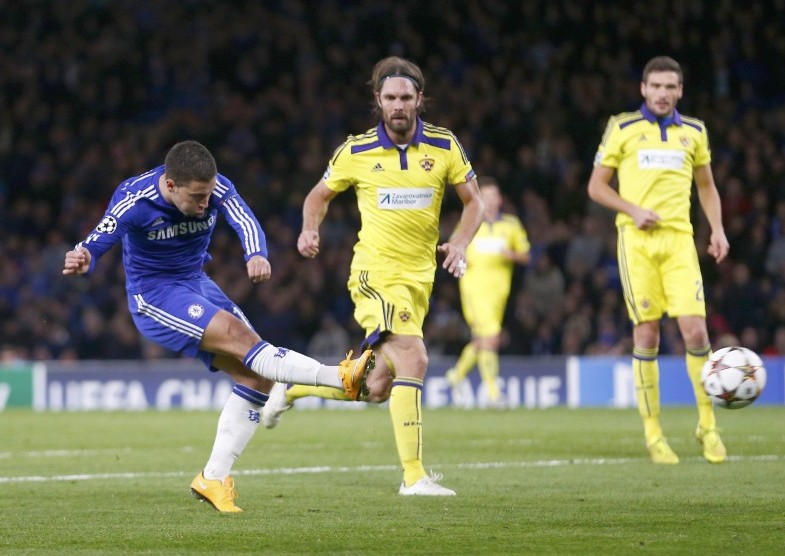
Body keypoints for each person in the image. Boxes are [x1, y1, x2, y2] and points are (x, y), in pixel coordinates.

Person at [62, 140, 373, 512]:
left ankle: (212, 478)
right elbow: (98, 238)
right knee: (242, 339)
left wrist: (255, 252)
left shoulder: (215, 187)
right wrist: (84, 257)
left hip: (195, 282)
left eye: (208, 195)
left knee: (257, 376)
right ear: (171, 185)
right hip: (155, 294)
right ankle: (340, 377)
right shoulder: (136, 198)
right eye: (197, 197)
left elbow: (242, 216)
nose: (205, 204)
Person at [262, 56, 484, 495]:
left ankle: (293, 388)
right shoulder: (356, 150)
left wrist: (459, 243)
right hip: (375, 274)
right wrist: (310, 228)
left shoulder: (444, 145)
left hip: (419, 280)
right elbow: (318, 195)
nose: (398, 105)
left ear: (420, 99)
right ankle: (415, 477)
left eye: (405, 97)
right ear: (377, 102)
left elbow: (474, 202)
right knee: (415, 357)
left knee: (377, 386)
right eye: (389, 98)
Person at [587, 56, 730, 465]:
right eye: (656, 86)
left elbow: (707, 186)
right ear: (643, 90)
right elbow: (596, 187)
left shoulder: (695, 131)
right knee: (647, 334)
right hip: (637, 242)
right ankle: (654, 434)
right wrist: (632, 210)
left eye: (671, 87)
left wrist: (717, 229)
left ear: (680, 91)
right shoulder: (623, 127)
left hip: (680, 241)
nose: (663, 94)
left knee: (696, 333)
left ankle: (708, 426)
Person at [444, 177, 530, 407]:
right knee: (491, 339)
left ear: (500, 200)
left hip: (498, 294)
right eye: (486, 196)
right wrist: (461, 256)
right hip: (474, 290)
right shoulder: (470, 221)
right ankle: (493, 394)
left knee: (483, 340)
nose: (490, 201)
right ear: (480, 198)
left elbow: (526, 255)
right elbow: (453, 249)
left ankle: (456, 375)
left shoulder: (511, 225)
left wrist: (511, 255)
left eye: (494, 196)